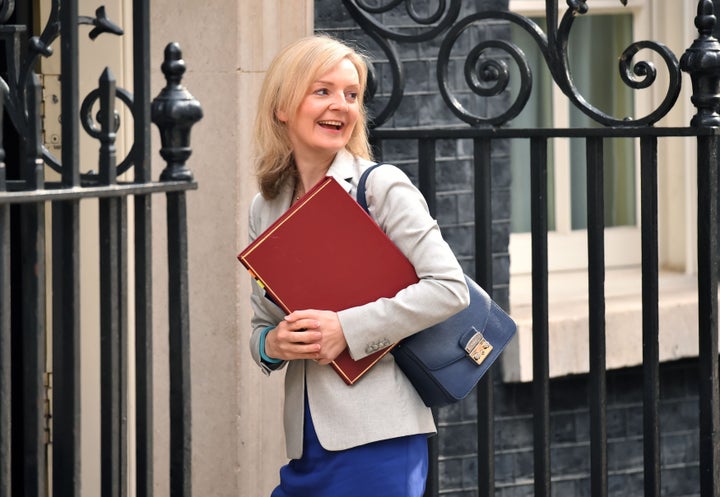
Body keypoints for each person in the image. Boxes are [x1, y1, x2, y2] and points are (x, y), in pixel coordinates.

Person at [246, 34, 470, 497]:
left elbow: (449, 287)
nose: (341, 106)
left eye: (352, 94)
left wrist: (345, 330)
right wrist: (274, 344)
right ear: (283, 106)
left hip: (379, 438)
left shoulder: (381, 187)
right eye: (322, 91)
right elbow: (260, 328)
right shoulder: (264, 208)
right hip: (307, 444)